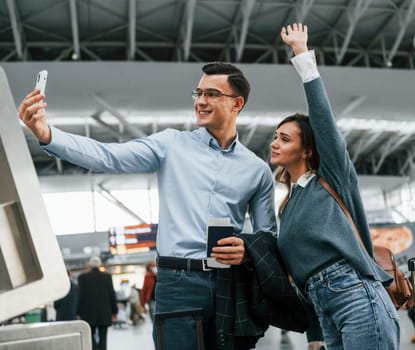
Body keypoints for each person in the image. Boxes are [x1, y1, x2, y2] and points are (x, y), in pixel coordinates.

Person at [18, 61, 277, 349]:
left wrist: (248, 252)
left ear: (237, 104)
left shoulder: (257, 170)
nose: (201, 101)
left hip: (230, 283)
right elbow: (108, 156)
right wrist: (46, 133)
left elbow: (268, 236)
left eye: (213, 94)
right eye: (198, 92)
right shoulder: (171, 144)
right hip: (178, 282)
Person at [270, 23, 400, 349]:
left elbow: (323, 121)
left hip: (356, 294)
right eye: (275, 136)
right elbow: (301, 274)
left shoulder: (331, 179)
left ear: (307, 149)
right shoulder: (288, 204)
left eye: (284, 138)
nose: (274, 143)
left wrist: (301, 54)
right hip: (323, 306)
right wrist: (314, 335)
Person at [77, 256, 118, 350]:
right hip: (104, 313)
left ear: (89, 265)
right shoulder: (107, 276)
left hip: (87, 313)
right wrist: (114, 311)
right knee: (103, 336)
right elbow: (112, 294)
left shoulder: (82, 277)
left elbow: (80, 296)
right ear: (100, 264)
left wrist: (78, 312)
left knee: (90, 335)